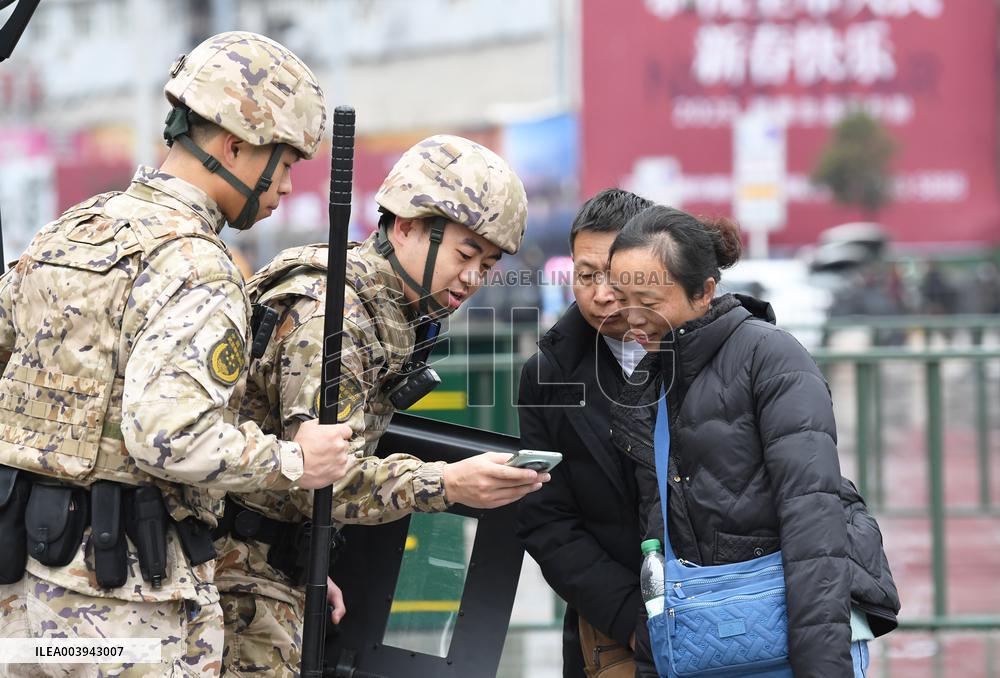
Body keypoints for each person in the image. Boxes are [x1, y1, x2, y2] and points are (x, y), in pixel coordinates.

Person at [0, 31, 353, 676]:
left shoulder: (67, 231)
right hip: (121, 607)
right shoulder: (195, 266)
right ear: (236, 146)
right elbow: (167, 435)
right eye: (285, 161)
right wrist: (297, 460)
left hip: (19, 596)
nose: (285, 186)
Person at [214, 134, 549, 675]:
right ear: (406, 225)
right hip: (234, 578)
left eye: (487, 265)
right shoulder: (337, 316)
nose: (472, 278)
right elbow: (320, 476)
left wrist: (304, 563)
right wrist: (450, 483)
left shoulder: (391, 310)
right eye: (465, 254)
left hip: (267, 566)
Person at [606, 206, 898, 677]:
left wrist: (823, 670)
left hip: (785, 651)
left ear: (704, 292)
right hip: (700, 650)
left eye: (648, 298)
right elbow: (654, 543)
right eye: (621, 298)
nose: (631, 318)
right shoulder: (650, 380)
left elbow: (813, 526)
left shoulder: (772, 358)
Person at [516, 188, 653, 677]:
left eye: (615, 275)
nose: (600, 293)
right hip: (612, 637)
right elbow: (547, 519)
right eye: (585, 275)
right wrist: (629, 618)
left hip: (725, 619)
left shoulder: (717, 353)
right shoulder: (547, 375)